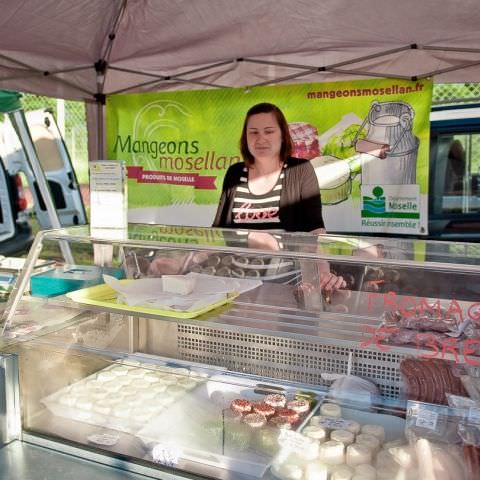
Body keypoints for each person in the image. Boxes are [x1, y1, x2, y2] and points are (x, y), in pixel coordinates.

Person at [213, 102, 345, 294]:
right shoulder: (234, 173)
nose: (261, 139)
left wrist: (324, 272)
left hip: (288, 283)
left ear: (282, 135)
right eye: (254, 132)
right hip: (238, 282)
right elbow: (217, 232)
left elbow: (315, 230)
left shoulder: (300, 170)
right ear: (245, 137)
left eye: (269, 131)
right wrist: (184, 259)